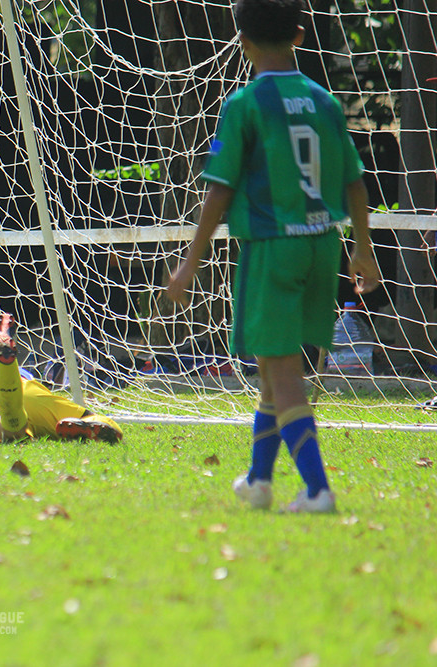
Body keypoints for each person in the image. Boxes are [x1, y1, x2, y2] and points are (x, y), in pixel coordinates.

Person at [166, 0, 381, 513]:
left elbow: (219, 190)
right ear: (301, 36)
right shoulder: (325, 102)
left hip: (273, 246)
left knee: (282, 375)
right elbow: (354, 179)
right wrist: (364, 248)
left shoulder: (246, 104)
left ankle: (317, 490)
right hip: (321, 245)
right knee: (274, 366)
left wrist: (190, 261)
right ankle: (259, 481)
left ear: (241, 42)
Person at [0, 314, 123, 443]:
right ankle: (102, 426)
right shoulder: (24, 372)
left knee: (6, 428)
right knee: (89, 416)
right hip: (29, 389)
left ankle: (12, 422)